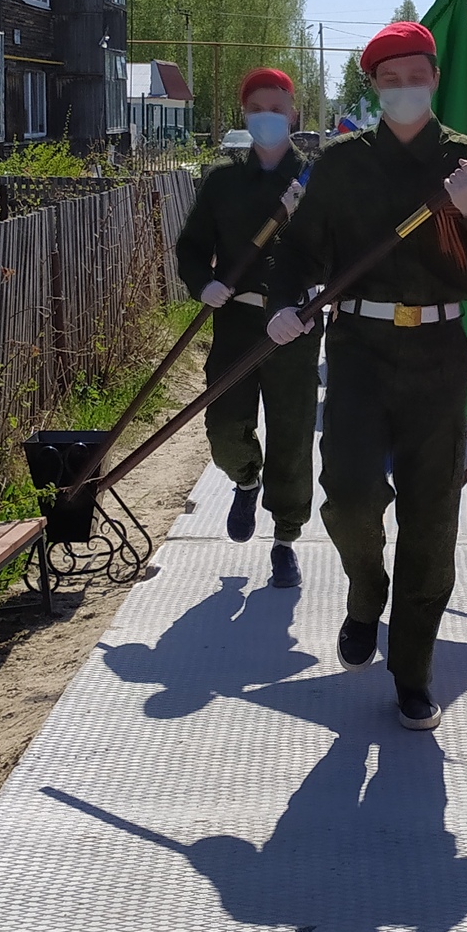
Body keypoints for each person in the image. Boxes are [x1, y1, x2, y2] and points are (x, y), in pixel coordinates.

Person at [265, 22, 467, 731]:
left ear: (434, 78)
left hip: (439, 354)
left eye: (416, 76)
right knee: (349, 497)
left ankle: (413, 670)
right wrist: (285, 304)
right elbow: (299, 250)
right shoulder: (342, 163)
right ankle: (365, 591)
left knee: (430, 516)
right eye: (390, 79)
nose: (404, 89)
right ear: (374, 86)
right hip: (358, 349)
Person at [174, 68, 316, 589]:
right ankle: (245, 478)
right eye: (257, 109)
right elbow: (191, 246)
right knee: (224, 424)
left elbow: (334, 249)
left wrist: (311, 296)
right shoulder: (222, 181)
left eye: (277, 109)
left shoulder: (314, 181)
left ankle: (285, 539)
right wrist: (202, 284)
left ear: (293, 114)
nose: (267, 118)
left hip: (294, 326)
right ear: (244, 114)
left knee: (291, 434)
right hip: (236, 319)